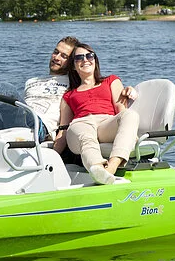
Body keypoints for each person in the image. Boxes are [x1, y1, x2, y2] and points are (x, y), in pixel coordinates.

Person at [56, 42, 140, 185]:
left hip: (105, 124)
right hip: (80, 125)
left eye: (89, 56)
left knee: (131, 115)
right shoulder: (69, 95)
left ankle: (110, 169)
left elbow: (122, 113)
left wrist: (130, 130)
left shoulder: (111, 81)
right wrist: (51, 156)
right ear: (74, 66)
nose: (85, 60)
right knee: (84, 131)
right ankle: (97, 168)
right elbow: (64, 130)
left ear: (95, 60)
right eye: (79, 58)